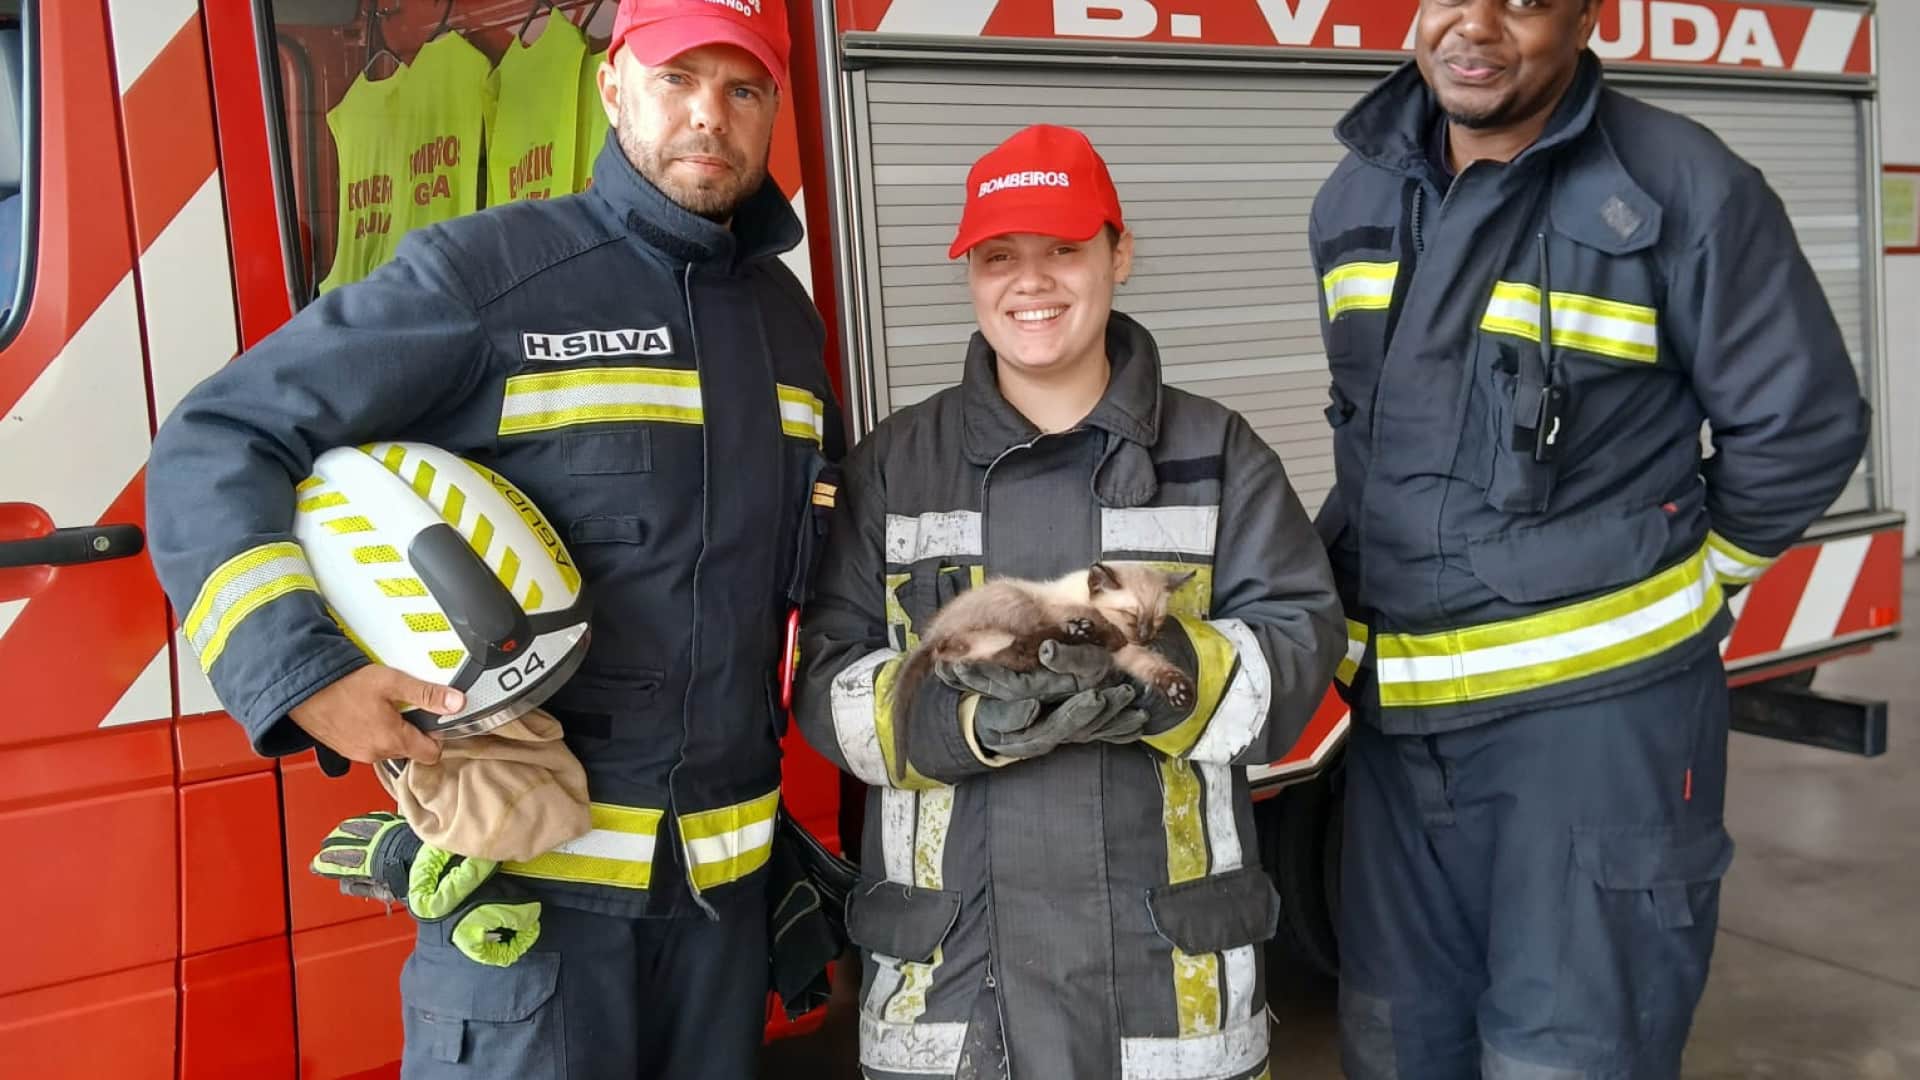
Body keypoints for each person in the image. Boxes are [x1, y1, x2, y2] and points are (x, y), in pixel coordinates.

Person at [144, 1, 841, 1077]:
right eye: (678, 79)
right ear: (614, 87)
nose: (710, 114)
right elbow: (215, 440)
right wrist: (302, 674)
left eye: (743, 88)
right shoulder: (494, 277)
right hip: (530, 926)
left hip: (720, 927)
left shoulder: (786, 322)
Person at [1308, 2, 1871, 1077]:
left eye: (1519, 2)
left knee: (1571, 1056)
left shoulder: (1682, 187)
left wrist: (1688, 580)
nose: (1473, 28)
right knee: (1396, 1043)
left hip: (1595, 740)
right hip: (1398, 739)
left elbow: (1802, 423)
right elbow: (1374, 448)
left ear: (1585, 14)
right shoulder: (1358, 192)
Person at [796, 123, 1345, 1080]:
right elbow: (827, 677)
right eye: (1001, 256)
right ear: (971, 273)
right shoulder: (895, 466)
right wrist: (962, 720)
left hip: (1165, 1000)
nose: (1032, 283)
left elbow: (1300, 649)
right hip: (956, 1004)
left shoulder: (1217, 455)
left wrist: (1158, 680)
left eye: (1064, 251)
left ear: (1119, 254)